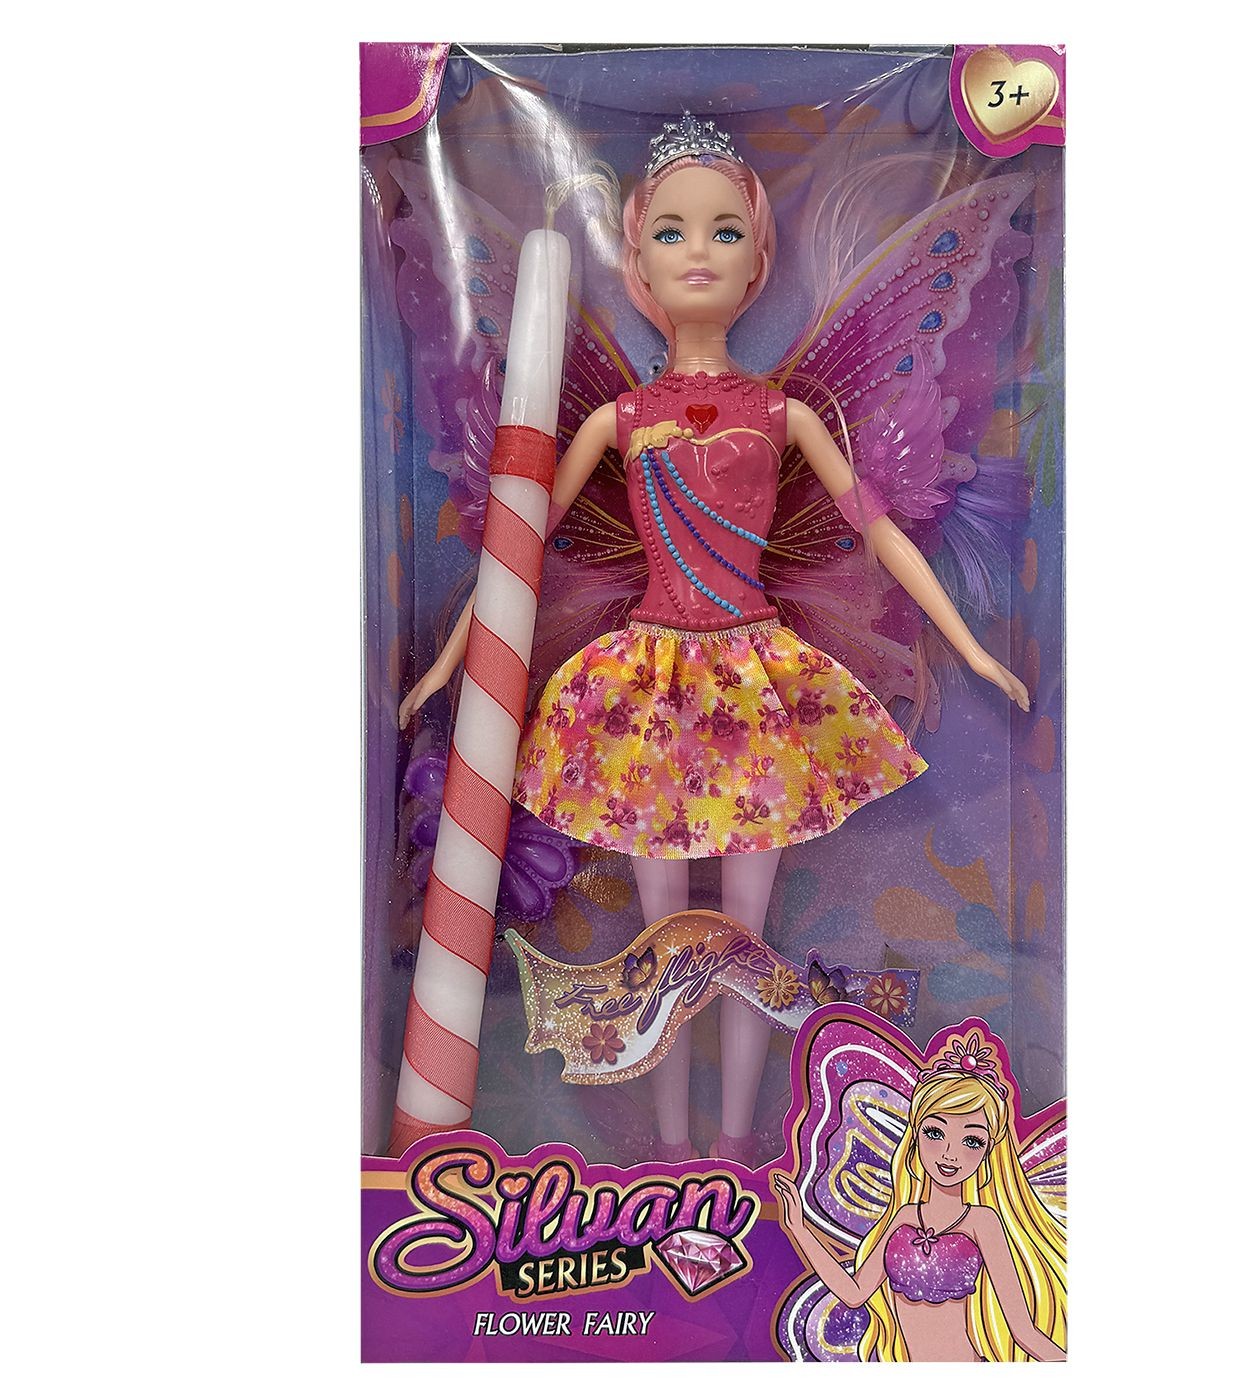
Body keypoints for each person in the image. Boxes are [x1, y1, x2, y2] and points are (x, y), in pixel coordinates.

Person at [400, 116, 1029, 1163]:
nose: (699, 252)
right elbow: (518, 549)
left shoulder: (785, 415)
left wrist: (969, 646)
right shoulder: (616, 420)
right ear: (637, 263)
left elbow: (877, 528)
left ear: (757, 262)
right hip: (644, 684)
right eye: (673, 233)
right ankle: (669, 1151)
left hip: (754, 680)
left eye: (725, 232)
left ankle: (736, 1147)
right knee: (660, 945)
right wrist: (444, 662)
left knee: (746, 939)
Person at [772, 1036, 1067, 1362]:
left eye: (971, 1140)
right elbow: (855, 1294)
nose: (950, 1154)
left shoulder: (983, 1222)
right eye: (935, 1133)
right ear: (915, 1137)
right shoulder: (904, 1217)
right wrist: (799, 1229)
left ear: (987, 1152)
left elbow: (1022, 1330)